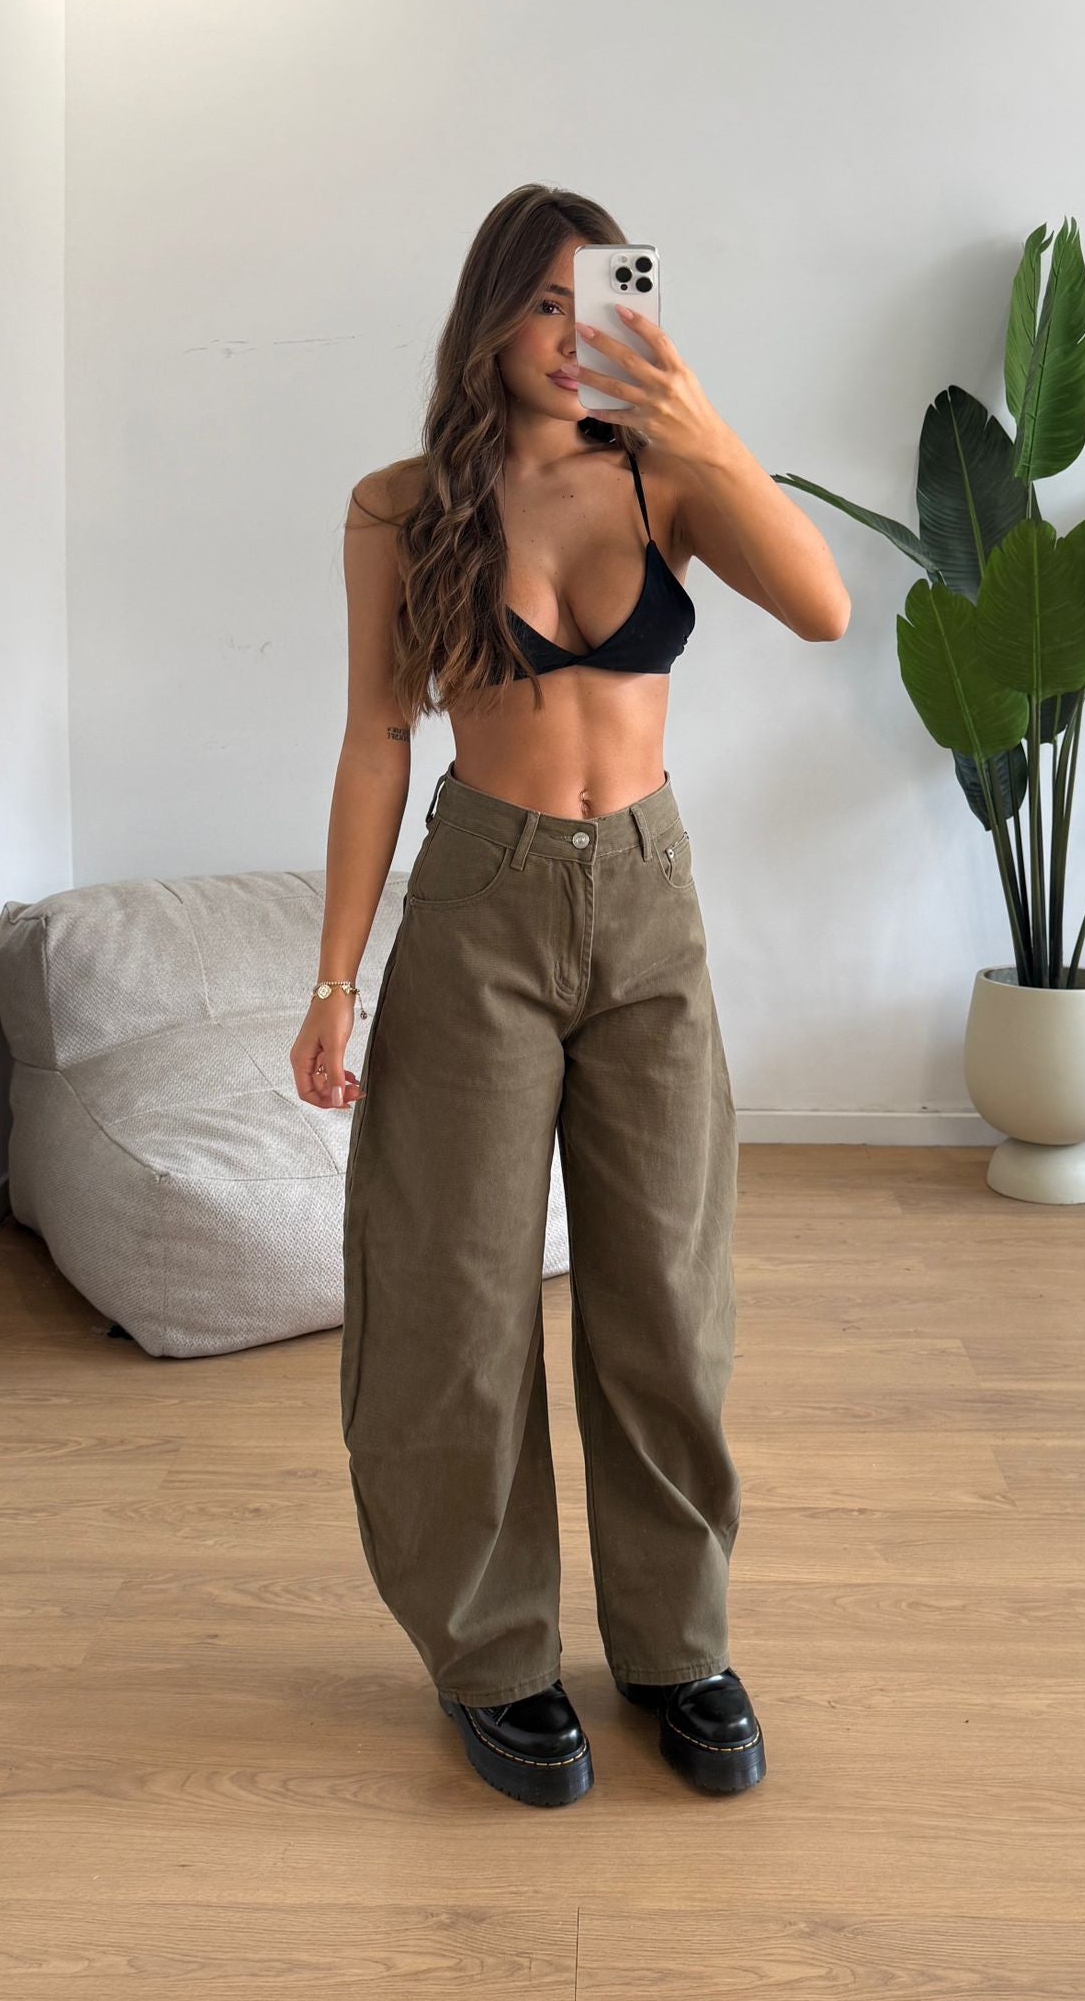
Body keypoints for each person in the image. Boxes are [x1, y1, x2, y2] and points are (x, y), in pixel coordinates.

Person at [290, 184, 850, 1808]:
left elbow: (822, 608)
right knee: (452, 1298)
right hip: (481, 902)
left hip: (649, 905)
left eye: (589, 298)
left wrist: (704, 428)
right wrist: (333, 979)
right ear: (486, 318)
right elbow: (375, 740)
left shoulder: (667, 478)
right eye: (535, 301)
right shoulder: (402, 505)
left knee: (665, 1290)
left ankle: (676, 1646)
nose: (562, 332)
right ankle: (492, 1656)